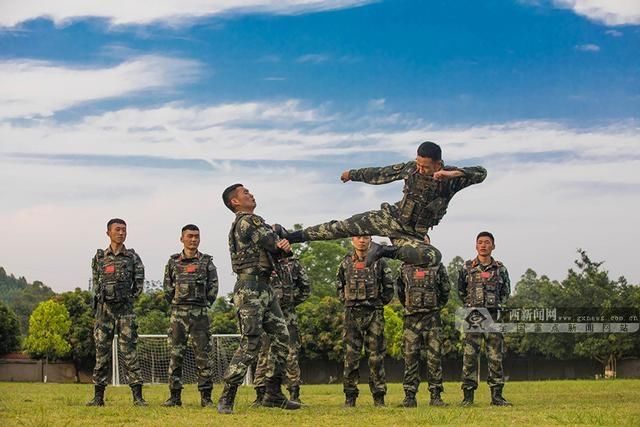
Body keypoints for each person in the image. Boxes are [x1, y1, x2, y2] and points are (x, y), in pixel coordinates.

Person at [277, 141, 486, 268]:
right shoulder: (410, 169)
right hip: (392, 218)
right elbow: (381, 173)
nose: (421, 169)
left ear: (438, 164)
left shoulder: (453, 178)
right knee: (342, 226)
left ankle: (382, 251)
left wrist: (453, 173)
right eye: (419, 164)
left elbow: (481, 172)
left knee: (432, 257)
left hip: (412, 234)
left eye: (426, 167)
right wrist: (353, 174)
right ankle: (292, 236)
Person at [217, 184, 301, 414]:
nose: (251, 194)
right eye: (245, 192)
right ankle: (227, 396)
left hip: (264, 287)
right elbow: (274, 244)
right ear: (235, 202)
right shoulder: (249, 220)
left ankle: (273, 393)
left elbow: (277, 246)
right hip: (250, 288)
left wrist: (280, 245)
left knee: (283, 337)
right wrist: (281, 244)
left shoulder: (252, 222)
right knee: (251, 341)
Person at [87, 218, 147, 407]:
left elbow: (139, 284)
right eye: (117, 230)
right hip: (104, 312)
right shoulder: (99, 258)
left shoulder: (132, 258)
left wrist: (126, 299)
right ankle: (98, 397)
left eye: (124, 230)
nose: (121, 233)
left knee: (129, 353)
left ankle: (137, 397)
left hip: (125, 312)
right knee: (101, 353)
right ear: (108, 233)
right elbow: (96, 283)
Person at [161, 224, 219, 408]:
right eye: (190, 236)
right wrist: (178, 304)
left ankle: (206, 397)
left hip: (200, 314)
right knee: (175, 355)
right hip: (178, 315)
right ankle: (174, 397)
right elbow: (167, 288)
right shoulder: (173, 262)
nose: (193, 239)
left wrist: (204, 304)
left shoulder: (207, 262)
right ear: (182, 239)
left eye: (196, 236)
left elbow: (213, 287)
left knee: (203, 356)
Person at [337, 235, 394, 407]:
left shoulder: (380, 262)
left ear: (370, 240)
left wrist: (376, 303)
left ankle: (379, 397)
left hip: (374, 314)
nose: (361, 241)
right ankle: (350, 397)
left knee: (376, 357)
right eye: (358, 237)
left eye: (365, 237)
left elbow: (389, 288)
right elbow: (339, 287)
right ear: (352, 240)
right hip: (352, 314)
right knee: (350, 357)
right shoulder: (345, 263)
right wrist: (350, 303)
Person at [458, 231, 512, 406]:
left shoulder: (500, 269)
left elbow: (506, 293)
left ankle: (497, 396)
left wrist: (494, 308)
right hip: (473, 316)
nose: (483, 245)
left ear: (493, 246)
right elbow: (461, 291)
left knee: (495, 356)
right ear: (476, 245)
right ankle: (468, 397)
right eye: (480, 242)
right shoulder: (467, 267)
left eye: (487, 242)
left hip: (493, 317)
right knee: (470, 356)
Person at [397, 235, 450, 407]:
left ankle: (436, 396)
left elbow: (445, 290)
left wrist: (434, 307)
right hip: (411, 319)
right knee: (410, 357)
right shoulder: (404, 266)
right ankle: (409, 396)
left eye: (425, 242)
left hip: (432, 317)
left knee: (434, 358)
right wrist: (410, 306)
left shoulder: (438, 266)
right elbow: (400, 290)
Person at [253, 255, 311, 405]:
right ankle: (260, 395)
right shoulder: (260, 261)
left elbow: (305, 289)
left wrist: (290, 300)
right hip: (266, 315)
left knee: (291, 354)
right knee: (264, 354)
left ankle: (294, 394)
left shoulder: (294, 264)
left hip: (288, 316)